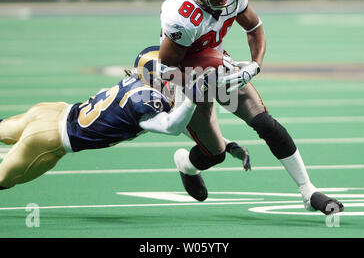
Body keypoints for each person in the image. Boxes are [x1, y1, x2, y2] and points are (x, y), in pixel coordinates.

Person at [158, 0, 344, 215]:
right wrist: (201, 83)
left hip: (217, 64)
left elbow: (255, 27)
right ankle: (186, 164)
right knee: (215, 153)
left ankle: (308, 190)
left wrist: (254, 65)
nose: (226, 0)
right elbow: (166, 70)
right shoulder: (181, 15)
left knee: (265, 122)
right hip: (188, 79)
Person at [0, 46, 212, 190]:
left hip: (51, 111)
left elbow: (181, 124)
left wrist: (218, 144)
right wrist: (191, 100)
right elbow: (171, 127)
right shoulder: (147, 100)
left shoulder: (135, 83)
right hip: (50, 139)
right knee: (3, 179)